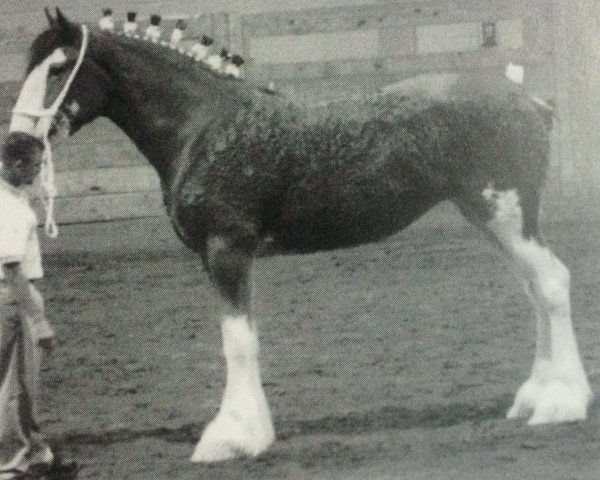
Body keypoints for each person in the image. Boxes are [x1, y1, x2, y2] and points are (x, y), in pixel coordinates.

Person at [0, 133, 56, 479]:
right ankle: (11, 458)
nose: (38, 173)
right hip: (12, 296)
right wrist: (40, 320)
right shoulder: (13, 210)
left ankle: (35, 449)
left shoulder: (8, 197)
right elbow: (13, 269)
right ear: (17, 165)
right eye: (35, 166)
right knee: (16, 382)